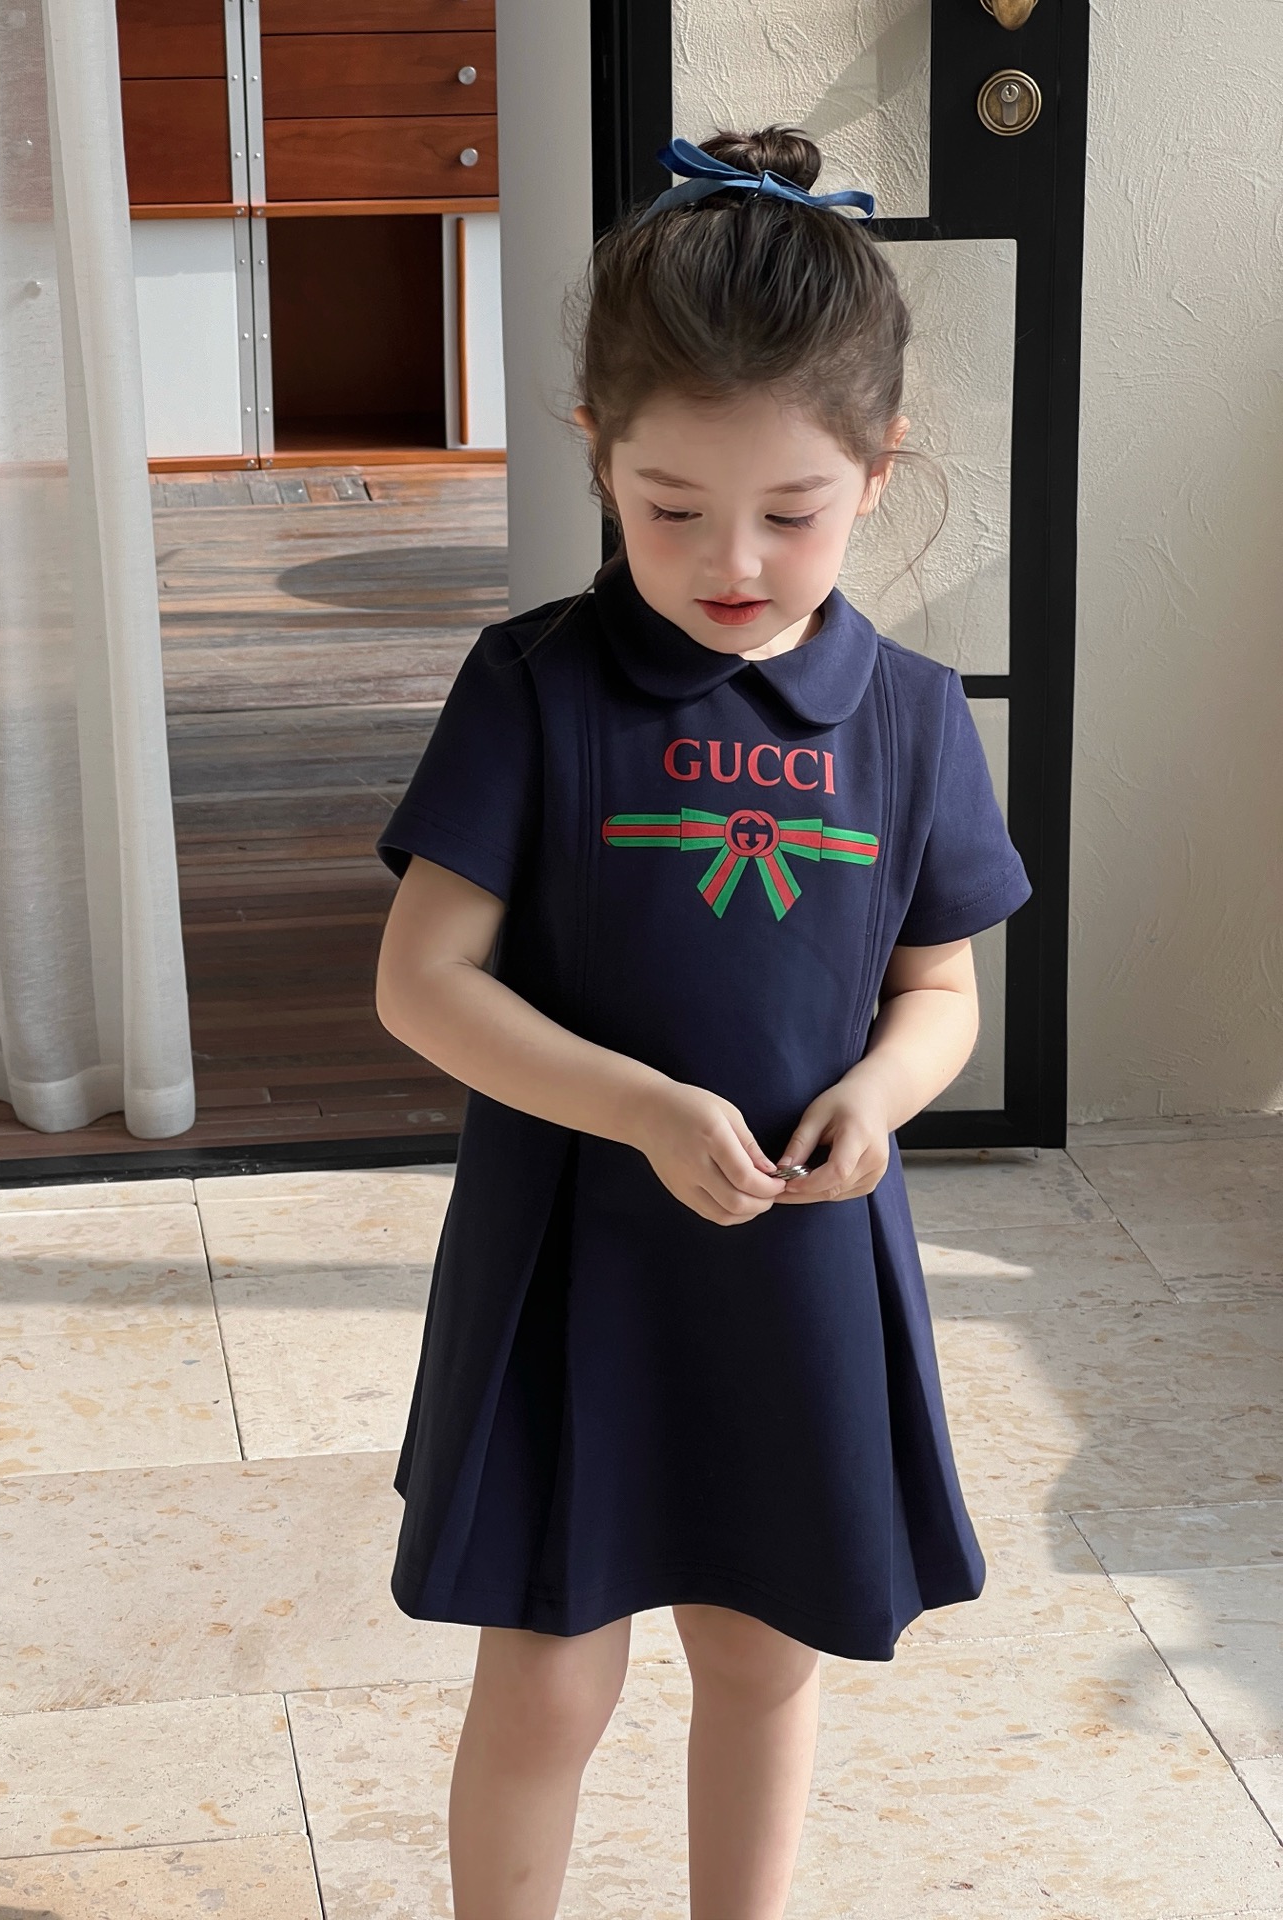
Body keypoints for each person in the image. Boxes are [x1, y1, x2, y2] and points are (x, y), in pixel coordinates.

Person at [373, 125, 1032, 1920]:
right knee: (550, 1674)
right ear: (598, 454)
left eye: (790, 513)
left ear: (878, 472)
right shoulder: (533, 687)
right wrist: (648, 1110)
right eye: (671, 509)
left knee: (761, 1652)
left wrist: (881, 1099)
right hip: (571, 1255)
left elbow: (939, 993)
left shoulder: (911, 716)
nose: (732, 559)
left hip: (795, 1262)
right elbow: (423, 982)